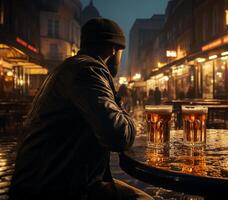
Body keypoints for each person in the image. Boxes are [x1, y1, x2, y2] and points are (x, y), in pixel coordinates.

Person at [9, 18, 153, 200]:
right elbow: (118, 136)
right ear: (114, 50)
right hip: (54, 187)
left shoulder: (69, 67)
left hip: (50, 178)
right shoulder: (88, 70)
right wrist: (119, 102)